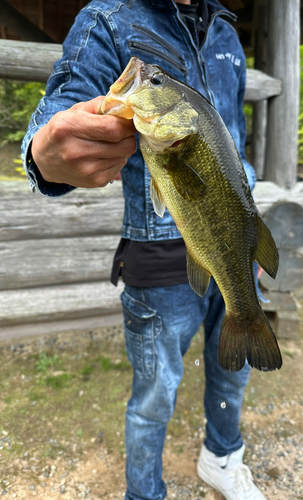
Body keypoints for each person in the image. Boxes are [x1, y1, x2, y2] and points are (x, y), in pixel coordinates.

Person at [21, 1, 267, 499]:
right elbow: (60, 106)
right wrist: (44, 150)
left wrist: (251, 244)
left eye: (154, 84)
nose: (145, 80)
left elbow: (232, 147)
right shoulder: (107, 18)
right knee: (154, 399)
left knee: (233, 370)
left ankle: (222, 457)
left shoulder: (225, 31)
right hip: (156, 259)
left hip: (234, 244)